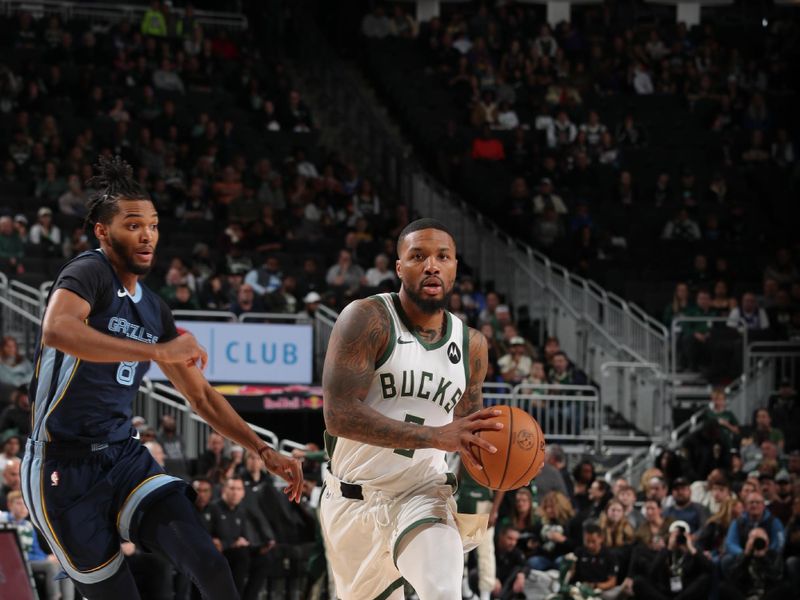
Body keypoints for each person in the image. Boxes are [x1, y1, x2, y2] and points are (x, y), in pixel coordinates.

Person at [20, 156, 303, 600]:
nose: (147, 234)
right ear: (102, 231)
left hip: (123, 456)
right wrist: (157, 351)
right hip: (61, 468)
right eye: (133, 225)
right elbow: (58, 330)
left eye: (152, 224)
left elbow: (203, 400)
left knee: (209, 564)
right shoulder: (88, 272)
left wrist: (262, 448)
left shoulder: (155, 308)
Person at [319, 218, 509, 600]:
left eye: (443, 256)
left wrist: (500, 466)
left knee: (442, 592)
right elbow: (339, 414)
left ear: (455, 267)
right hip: (353, 502)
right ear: (399, 267)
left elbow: (469, 435)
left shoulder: (471, 345)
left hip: (423, 493)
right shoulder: (367, 319)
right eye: (418, 256)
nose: (432, 265)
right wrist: (435, 437)